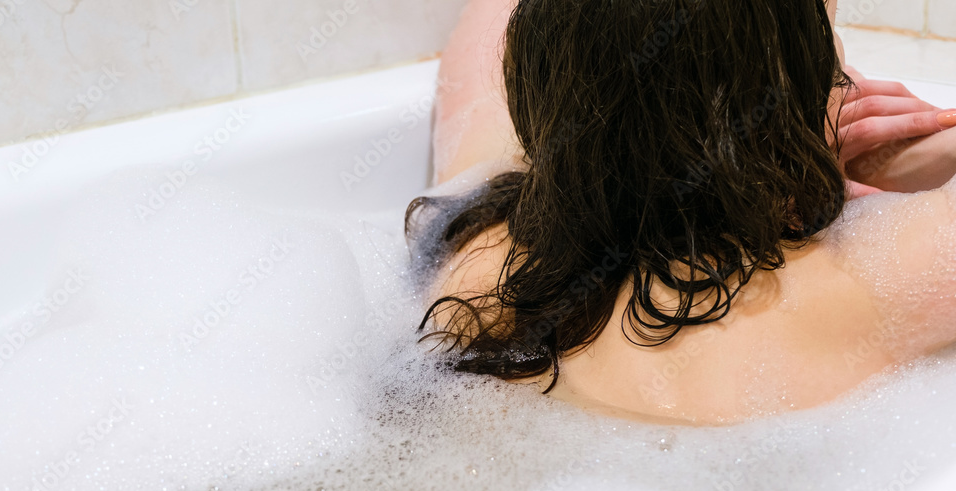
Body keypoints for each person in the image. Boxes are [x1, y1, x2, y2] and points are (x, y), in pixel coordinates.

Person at [409, 0, 956, 425]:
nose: (845, 76)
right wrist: (828, 163)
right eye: (831, 58)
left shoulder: (471, 251)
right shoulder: (852, 289)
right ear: (776, 108)